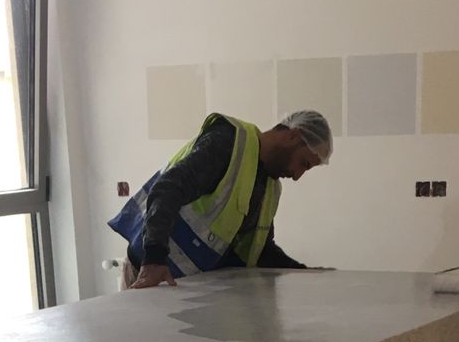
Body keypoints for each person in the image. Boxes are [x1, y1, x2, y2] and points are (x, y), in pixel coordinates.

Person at [110, 109, 332, 290]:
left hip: (184, 287)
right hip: (150, 273)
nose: (297, 176)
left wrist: (303, 272)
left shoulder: (270, 188)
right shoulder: (229, 144)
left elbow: (261, 251)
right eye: (304, 164)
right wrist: (154, 259)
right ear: (293, 136)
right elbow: (167, 189)